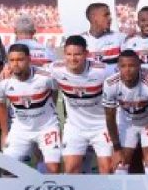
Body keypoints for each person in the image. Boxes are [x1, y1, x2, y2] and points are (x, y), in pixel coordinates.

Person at [48, 35, 114, 174]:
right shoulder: (56, 69)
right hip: (75, 127)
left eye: (77, 54)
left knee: (107, 169)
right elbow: (34, 71)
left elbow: (123, 81)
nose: (72, 59)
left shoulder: (103, 71)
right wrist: (8, 69)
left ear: (86, 54)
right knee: (71, 169)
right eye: (69, 54)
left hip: (101, 126)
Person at [0, 44, 62, 173]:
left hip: (47, 127)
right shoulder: (2, 81)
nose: (15, 64)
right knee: (7, 168)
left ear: (29, 60)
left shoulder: (46, 77)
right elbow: (0, 104)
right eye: (12, 60)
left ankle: (44, 188)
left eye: (20, 60)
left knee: (53, 169)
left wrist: (51, 109)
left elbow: (55, 91)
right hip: (20, 129)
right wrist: (4, 132)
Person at [102, 50, 148, 174]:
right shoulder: (110, 84)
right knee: (119, 167)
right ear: (118, 67)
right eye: (123, 66)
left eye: (132, 66)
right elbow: (110, 117)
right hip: (127, 123)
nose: (127, 70)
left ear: (139, 67)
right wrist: (117, 149)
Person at [82, 2, 128, 75]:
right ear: (94, 18)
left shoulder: (120, 38)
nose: (110, 18)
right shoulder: (80, 41)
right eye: (106, 15)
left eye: (109, 15)